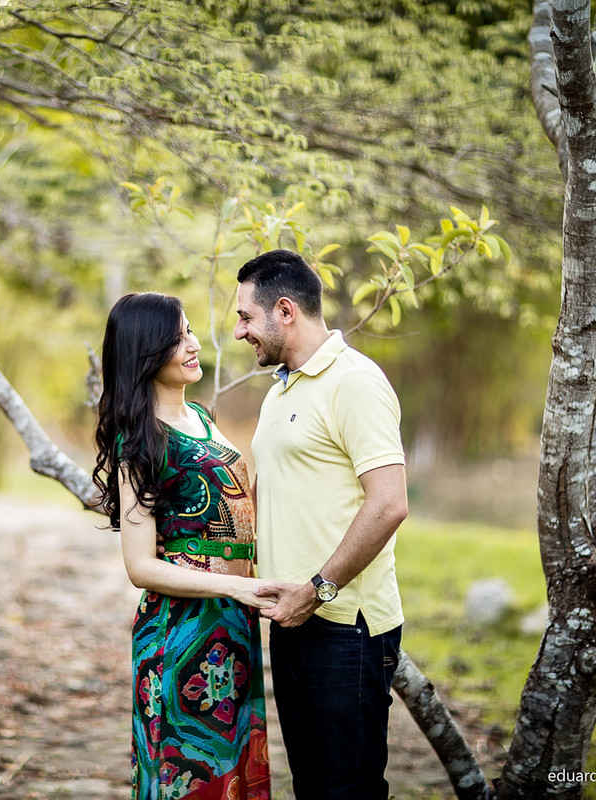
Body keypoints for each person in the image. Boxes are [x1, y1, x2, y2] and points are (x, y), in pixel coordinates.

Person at [233, 250, 408, 800]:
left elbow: (388, 503)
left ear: (284, 311)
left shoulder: (354, 381)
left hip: (344, 626)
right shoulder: (281, 387)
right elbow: (270, 488)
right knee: (311, 786)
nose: (239, 332)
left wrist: (318, 588)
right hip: (292, 620)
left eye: (245, 317)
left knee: (345, 789)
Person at [93, 291, 274, 800]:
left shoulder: (202, 417)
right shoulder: (140, 441)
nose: (193, 344)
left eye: (191, 330)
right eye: (177, 337)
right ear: (146, 351)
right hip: (182, 631)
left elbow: (235, 510)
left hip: (233, 623)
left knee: (231, 767)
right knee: (188, 773)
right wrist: (234, 589)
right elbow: (140, 566)